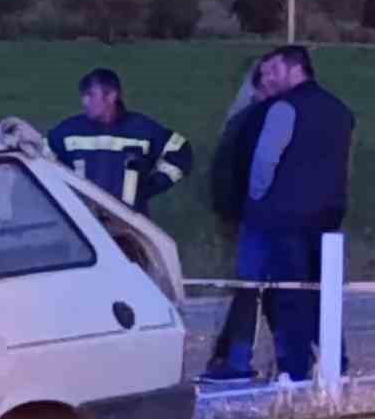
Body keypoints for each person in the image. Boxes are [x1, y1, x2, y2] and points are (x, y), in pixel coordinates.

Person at [227, 45, 355, 383]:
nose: (267, 78)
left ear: (294, 69)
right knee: (322, 295)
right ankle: (334, 363)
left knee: (288, 297)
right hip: (327, 217)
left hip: (282, 218)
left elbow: (265, 161)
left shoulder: (284, 108)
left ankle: (293, 369)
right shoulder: (340, 110)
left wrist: (256, 199)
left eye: (272, 71)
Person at [200, 57, 278, 383]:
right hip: (255, 217)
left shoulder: (240, 119)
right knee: (257, 289)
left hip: (243, 216)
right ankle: (236, 358)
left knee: (251, 289)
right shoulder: (254, 121)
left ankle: (231, 357)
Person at [47, 68, 194, 213]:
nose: (85, 102)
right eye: (83, 96)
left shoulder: (142, 130)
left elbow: (180, 153)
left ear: (111, 96)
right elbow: (40, 156)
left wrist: (152, 186)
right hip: (84, 226)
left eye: (90, 95)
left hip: (129, 225)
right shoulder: (69, 131)